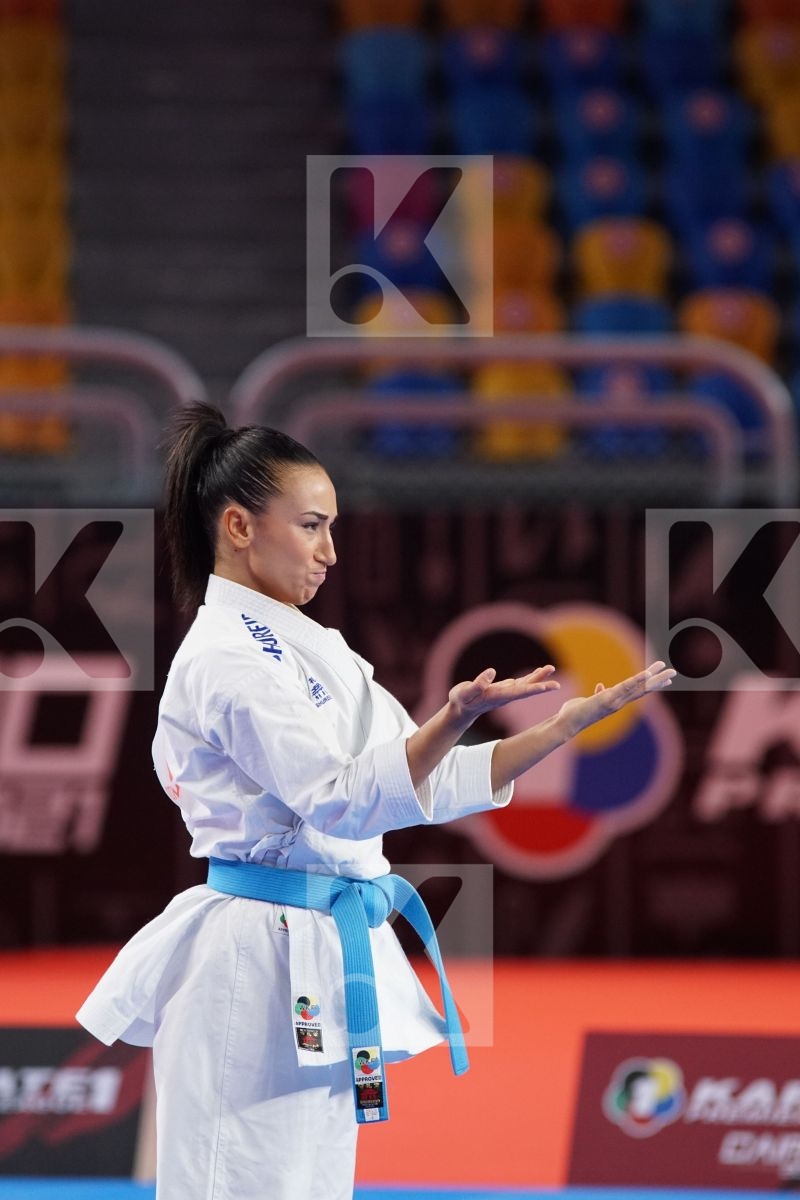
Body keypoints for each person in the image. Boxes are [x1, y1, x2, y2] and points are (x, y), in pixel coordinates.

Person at [76, 401, 675, 1200]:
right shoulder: (226, 657)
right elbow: (340, 801)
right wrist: (451, 717)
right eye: (312, 526)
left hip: (321, 945)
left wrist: (562, 727)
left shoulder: (318, 647)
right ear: (240, 526)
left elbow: (420, 783)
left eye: (333, 528)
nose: (329, 552)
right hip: (252, 957)